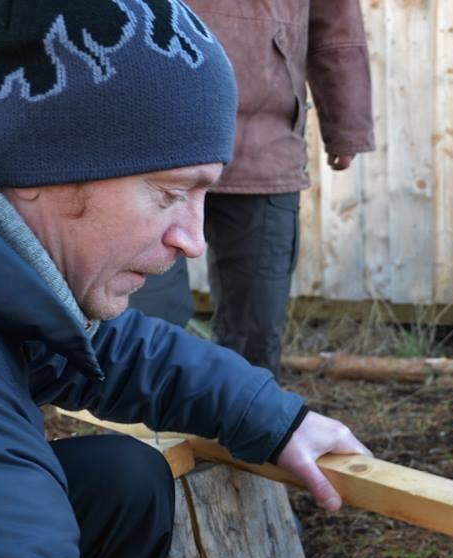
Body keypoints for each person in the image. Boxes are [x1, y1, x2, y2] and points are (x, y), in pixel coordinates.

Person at [0, 1, 372, 558]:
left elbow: (93, 343)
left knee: (123, 485)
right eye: (168, 194)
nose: (194, 240)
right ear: (42, 162)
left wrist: (271, 416)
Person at [128, 0, 376, 378]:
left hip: (264, 147)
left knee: (254, 333)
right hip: (150, 140)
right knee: (144, 322)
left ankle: (243, 432)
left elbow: (335, 21)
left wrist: (348, 124)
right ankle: (139, 435)